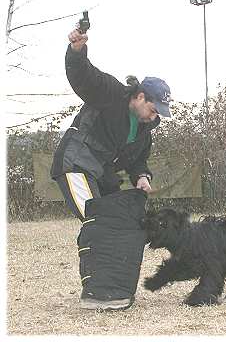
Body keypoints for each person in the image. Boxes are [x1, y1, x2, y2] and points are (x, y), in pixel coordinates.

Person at [50, 28, 172, 310]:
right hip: (75, 166)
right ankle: (98, 295)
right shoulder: (110, 93)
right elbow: (83, 76)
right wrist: (77, 51)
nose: (156, 116)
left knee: (123, 222)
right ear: (140, 96)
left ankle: (112, 290)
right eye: (154, 109)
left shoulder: (144, 132)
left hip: (102, 175)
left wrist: (141, 176)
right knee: (101, 222)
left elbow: (138, 161)